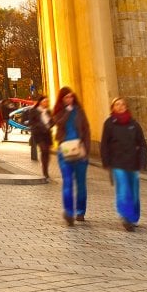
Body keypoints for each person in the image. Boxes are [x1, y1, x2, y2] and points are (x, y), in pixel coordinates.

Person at [101, 97, 147, 231]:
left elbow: (142, 144)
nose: (120, 106)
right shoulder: (109, 123)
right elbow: (104, 144)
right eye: (117, 104)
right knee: (123, 189)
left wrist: (143, 161)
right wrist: (106, 161)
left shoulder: (134, 124)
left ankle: (133, 217)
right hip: (117, 162)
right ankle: (126, 217)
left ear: (126, 107)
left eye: (123, 104)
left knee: (133, 191)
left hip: (133, 162)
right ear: (113, 107)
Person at [53, 86, 90, 226]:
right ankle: (68, 212)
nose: (70, 99)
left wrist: (87, 149)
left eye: (71, 96)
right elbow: (59, 123)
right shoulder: (58, 112)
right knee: (67, 181)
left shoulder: (80, 112)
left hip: (80, 151)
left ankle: (80, 211)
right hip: (65, 151)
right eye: (66, 97)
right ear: (62, 99)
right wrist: (67, 112)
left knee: (81, 184)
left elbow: (86, 130)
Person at [28, 96, 54, 183]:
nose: (46, 103)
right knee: (44, 149)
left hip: (47, 134)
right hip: (39, 134)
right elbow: (31, 122)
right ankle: (45, 171)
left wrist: (50, 124)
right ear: (40, 102)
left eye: (47, 101)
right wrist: (39, 126)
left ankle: (45, 169)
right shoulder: (34, 111)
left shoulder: (48, 111)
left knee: (47, 152)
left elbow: (52, 121)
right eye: (45, 101)